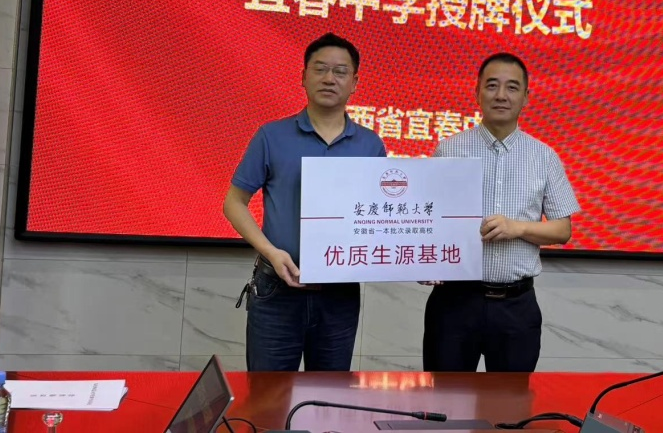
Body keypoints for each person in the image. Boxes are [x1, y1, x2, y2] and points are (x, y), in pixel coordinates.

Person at [223, 32, 387, 372]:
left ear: (355, 83)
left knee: (328, 396)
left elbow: (379, 216)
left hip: (340, 293)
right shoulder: (271, 136)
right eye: (320, 69)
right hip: (276, 288)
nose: (329, 78)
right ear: (303, 76)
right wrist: (271, 252)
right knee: (269, 395)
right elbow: (234, 203)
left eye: (340, 71)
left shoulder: (371, 145)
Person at [421, 52, 580, 373]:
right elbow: (426, 218)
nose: (501, 95)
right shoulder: (449, 149)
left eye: (512, 87)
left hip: (515, 307)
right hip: (454, 303)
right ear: (477, 92)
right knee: (444, 398)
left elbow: (562, 230)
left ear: (526, 97)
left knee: (511, 401)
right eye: (492, 86)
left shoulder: (544, 157)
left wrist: (518, 228)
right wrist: (426, 260)